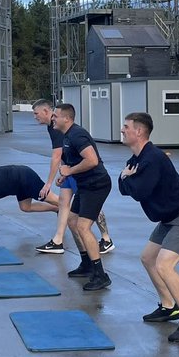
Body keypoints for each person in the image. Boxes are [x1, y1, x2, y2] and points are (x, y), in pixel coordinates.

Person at [118, 112, 179, 342]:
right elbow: (123, 187)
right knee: (148, 258)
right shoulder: (136, 160)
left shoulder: (153, 158)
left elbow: (138, 191)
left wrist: (126, 178)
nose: (122, 130)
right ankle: (169, 306)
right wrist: (126, 178)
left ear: (139, 131)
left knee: (164, 265)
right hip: (168, 219)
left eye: (126, 127)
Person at [31, 99, 114, 255]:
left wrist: (48, 183)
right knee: (63, 203)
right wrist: (64, 173)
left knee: (90, 207)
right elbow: (64, 153)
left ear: (46, 112)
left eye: (36, 113)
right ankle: (58, 240)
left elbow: (56, 156)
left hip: (79, 173)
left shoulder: (61, 129)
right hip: (69, 171)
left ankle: (106, 238)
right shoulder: (52, 127)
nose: (35, 117)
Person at [54, 103, 113, 291]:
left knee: (83, 226)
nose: (53, 118)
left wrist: (69, 170)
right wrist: (65, 175)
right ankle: (86, 263)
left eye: (56, 116)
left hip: (97, 184)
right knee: (72, 220)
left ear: (67, 119)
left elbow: (92, 160)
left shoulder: (77, 134)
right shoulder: (66, 136)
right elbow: (71, 161)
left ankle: (100, 275)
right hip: (85, 185)